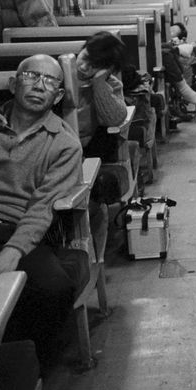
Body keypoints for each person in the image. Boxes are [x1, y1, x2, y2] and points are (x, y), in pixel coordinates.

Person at [0, 54, 88, 370]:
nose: (39, 85)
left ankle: (26, 370)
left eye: (50, 81)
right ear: (13, 84)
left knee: (54, 289)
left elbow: (42, 207)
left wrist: (13, 250)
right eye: (31, 76)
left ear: (58, 95)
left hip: (14, 227)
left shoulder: (64, 143)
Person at [75, 31, 130, 264]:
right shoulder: (55, 75)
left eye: (95, 65)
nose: (84, 66)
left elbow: (115, 118)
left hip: (86, 152)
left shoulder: (109, 85)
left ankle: (90, 257)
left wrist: (98, 83)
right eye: (85, 57)